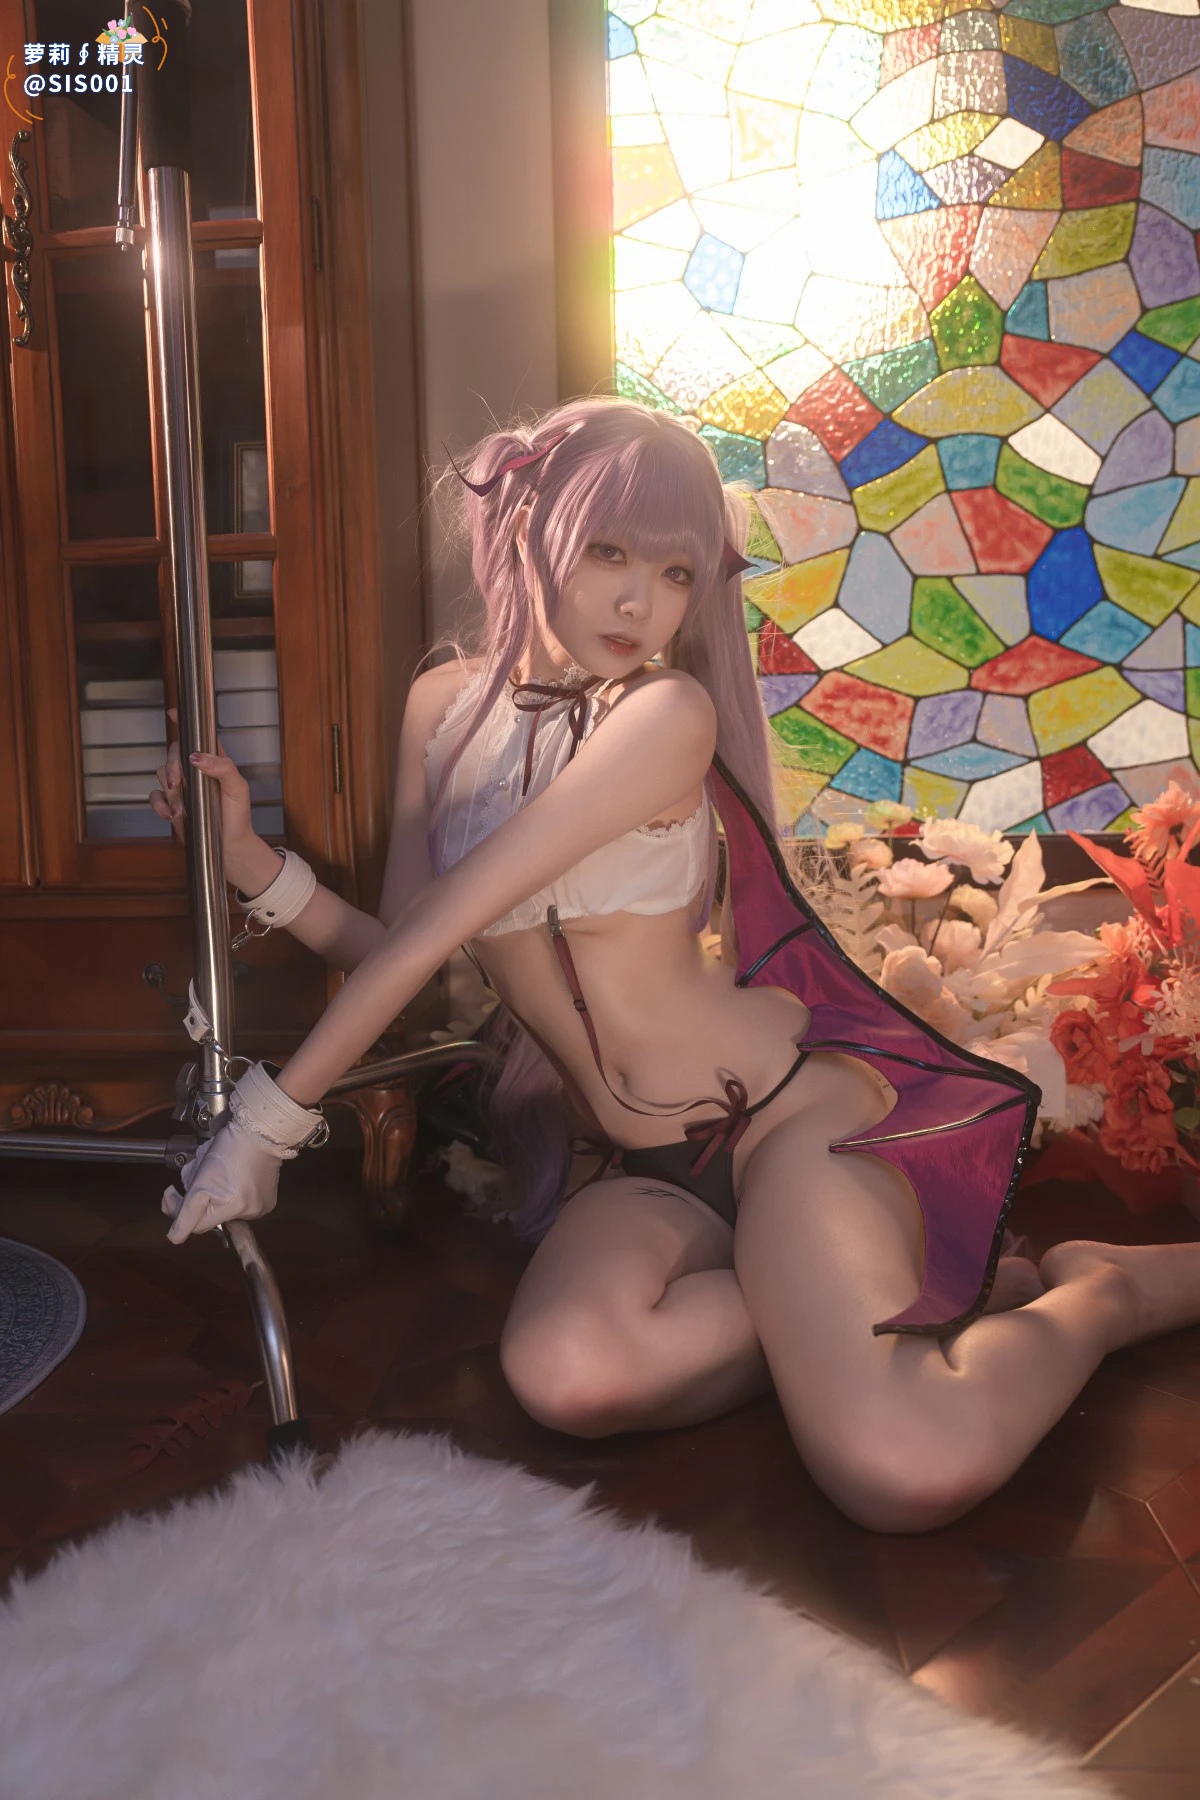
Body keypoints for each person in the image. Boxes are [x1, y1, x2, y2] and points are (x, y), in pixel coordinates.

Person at [151, 398, 1200, 1535]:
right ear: (533, 528)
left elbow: (441, 920)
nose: (638, 601)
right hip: (644, 1166)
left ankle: (1098, 1294)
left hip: (787, 1123)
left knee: (900, 1471)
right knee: (565, 1373)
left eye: (675, 573)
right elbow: (402, 948)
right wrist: (253, 865)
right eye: (609, 552)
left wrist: (266, 1124)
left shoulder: (664, 714)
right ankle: (827, 1309)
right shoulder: (440, 709)